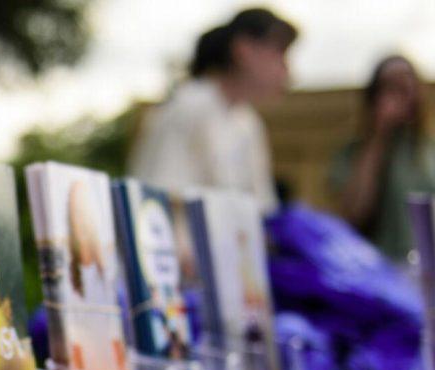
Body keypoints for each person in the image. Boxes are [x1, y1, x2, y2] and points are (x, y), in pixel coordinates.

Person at [130, 8, 298, 213]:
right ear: (243, 49)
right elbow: (157, 198)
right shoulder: (189, 106)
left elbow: (262, 208)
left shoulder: (247, 122)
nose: (285, 68)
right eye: (278, 53)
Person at [329, 55, 435, 262]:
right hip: (377, 265)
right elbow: (352, 213)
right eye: (391, 87)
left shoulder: (429, 149)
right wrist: (378, 136)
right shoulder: (352, 151)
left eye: (407, 84)